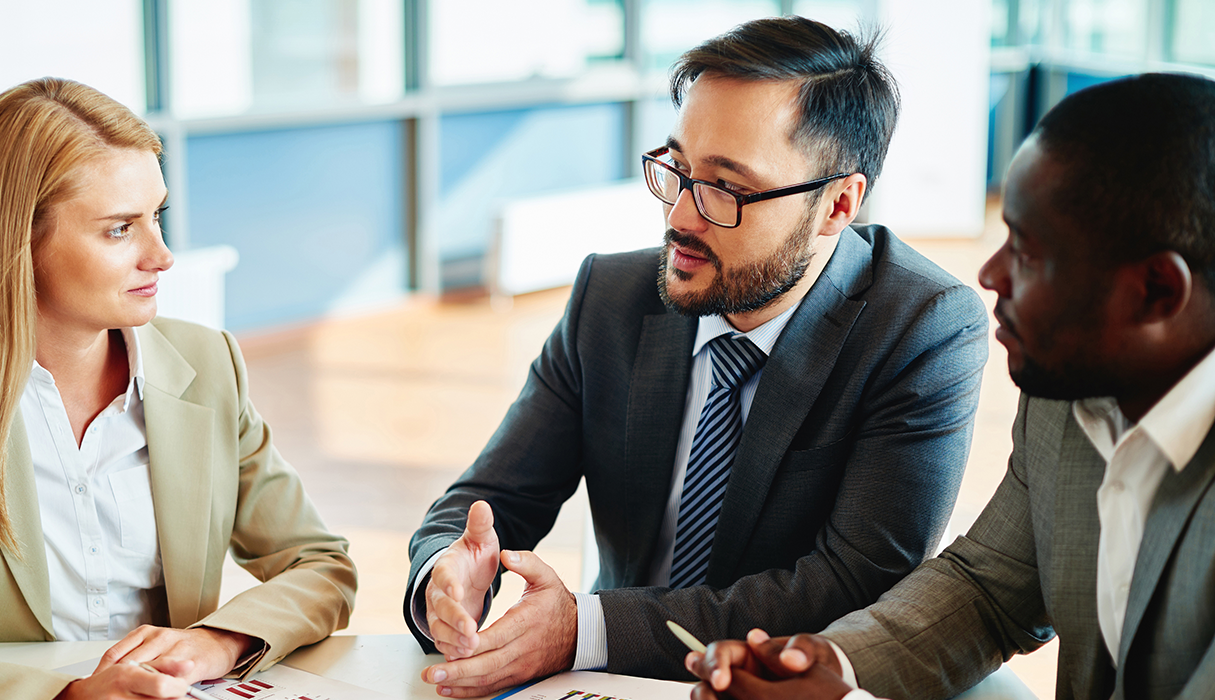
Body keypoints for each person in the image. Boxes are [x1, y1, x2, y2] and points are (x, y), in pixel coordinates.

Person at [406, 16, 990, 696]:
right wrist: (446, 570)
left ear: (837, 204)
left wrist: (584, 629)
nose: (681, 216)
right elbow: (494, 496)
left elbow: (858, 585)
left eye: (727, 189)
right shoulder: (611, 296)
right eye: (678, 170)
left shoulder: (921, 328)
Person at [684, 72, 1215, 700]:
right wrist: (827, 665)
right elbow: (989, 589)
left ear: (1157, 292)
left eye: (1028, 253)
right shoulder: (1069, 396)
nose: (990, 274)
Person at [0, 78, 357, 699]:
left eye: (157, 216)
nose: (163, 255)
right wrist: (62, 697)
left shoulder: (207, 367)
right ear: (18, 241)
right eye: (120, 229)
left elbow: (321, 565)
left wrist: (221, 640)